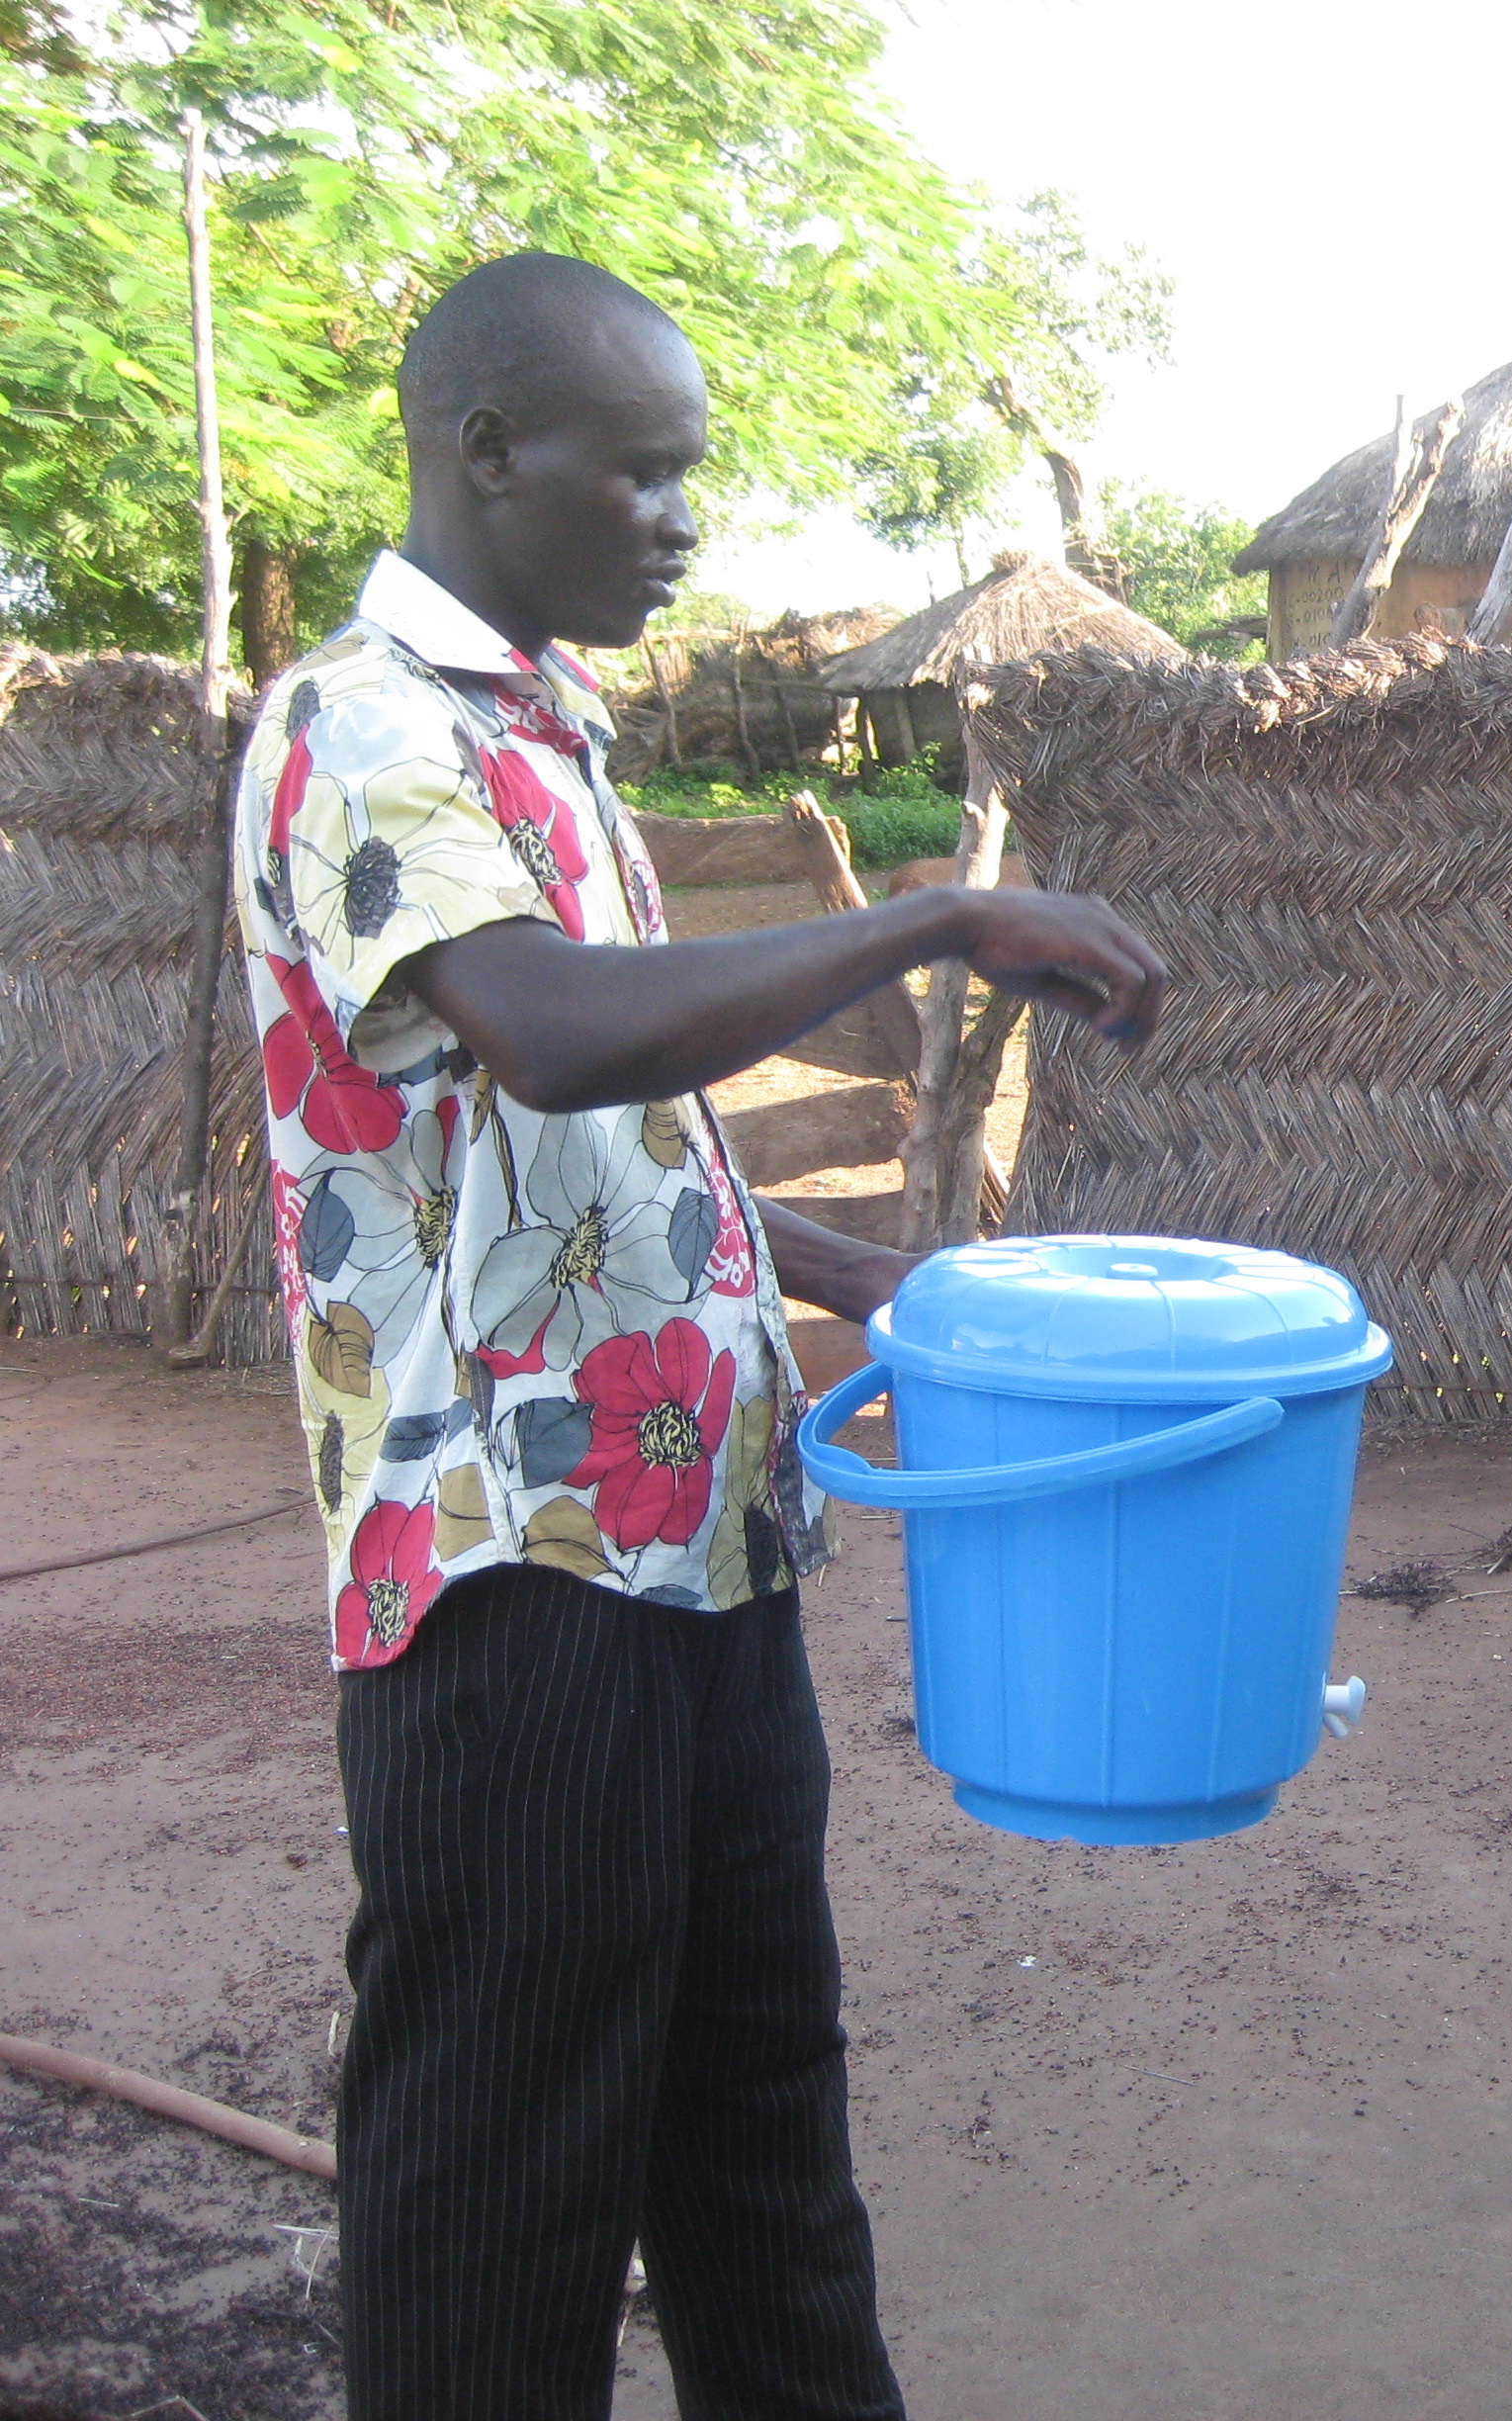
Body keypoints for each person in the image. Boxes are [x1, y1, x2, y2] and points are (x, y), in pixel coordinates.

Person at [234, 251, 1167, 2418]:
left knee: (762, 2119)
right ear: (486, 452)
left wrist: (853, 1283)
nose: (679, 520)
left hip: (700, 1538)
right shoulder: (366, 725)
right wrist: (937, 908)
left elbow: (602, 1151)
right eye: (639, 473)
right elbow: (551, 1041)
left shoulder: (539, 737)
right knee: (502, 2168)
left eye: (692, 479)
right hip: (511, 1578)